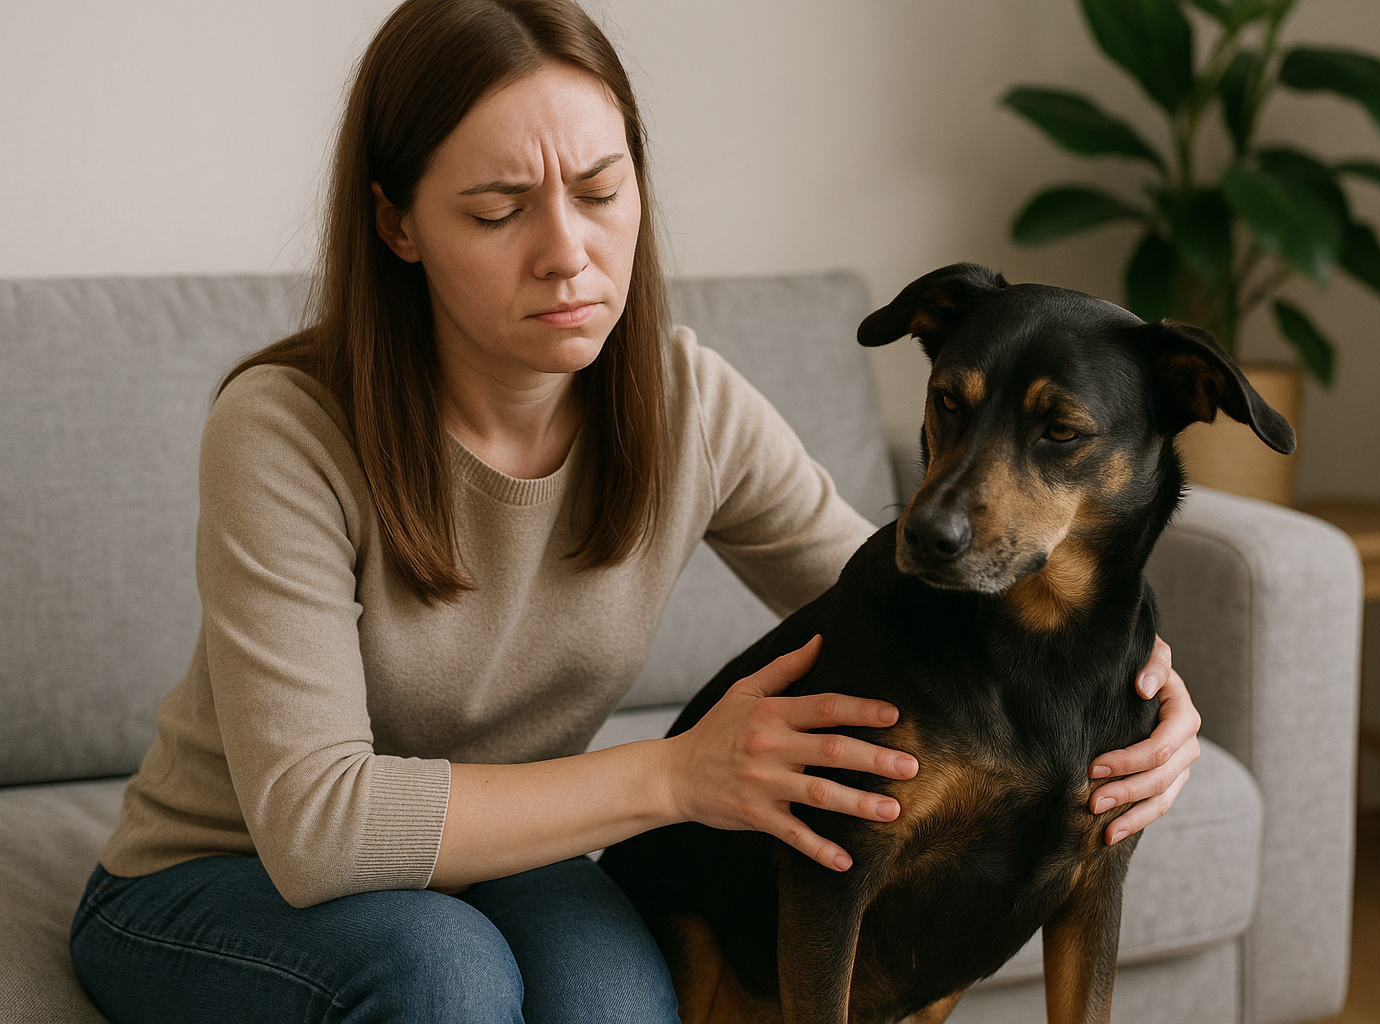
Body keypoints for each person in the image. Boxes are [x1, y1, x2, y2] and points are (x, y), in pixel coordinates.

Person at [68, 1, 1201, 1021]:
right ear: (398, 222)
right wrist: (674, 776)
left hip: (504, 857)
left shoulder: (680, 399)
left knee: (618, 1000)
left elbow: (894, 590)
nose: (570, 253)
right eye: (500, 208)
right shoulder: (284, 431)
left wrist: (1139, 696)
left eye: (602, 191)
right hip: (215, 874)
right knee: (444, 975)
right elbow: (319, 830)